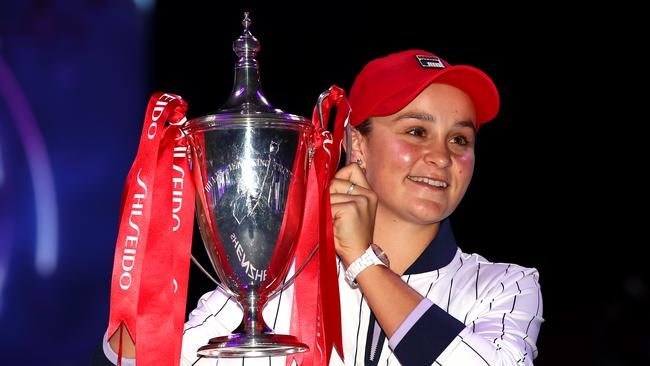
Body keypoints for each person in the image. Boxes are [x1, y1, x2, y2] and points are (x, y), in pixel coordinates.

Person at [99, 49, 543, 365]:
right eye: (415, 132)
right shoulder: (281, 278)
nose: (442, 156)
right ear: (357, 145)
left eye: (459, 139)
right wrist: (154, 223)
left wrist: (364, 264)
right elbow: (143, 354)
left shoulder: (507, 286)